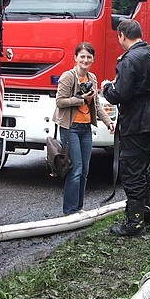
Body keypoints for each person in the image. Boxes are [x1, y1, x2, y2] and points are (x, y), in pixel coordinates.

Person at [101, 19, 150, 236]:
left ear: (122, 35)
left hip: (137, 121)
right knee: (142, 169)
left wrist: (107, 88)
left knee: (131, 171)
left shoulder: (128, 60)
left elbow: (120, 94)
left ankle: (135, 222)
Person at [53, 42, 116, 215]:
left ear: (93, 59)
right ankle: (70, 210)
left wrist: (108, 121)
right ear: (75, 58)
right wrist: (81, 99)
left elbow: (96, 104)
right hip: (70, 128)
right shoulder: (68, 77)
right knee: (76, 169)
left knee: (85, 171)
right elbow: (60, 101)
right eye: (82, 56)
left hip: (85, 128)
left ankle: (79, 208)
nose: (85, 60)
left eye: (89, 57)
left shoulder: (92, 78)